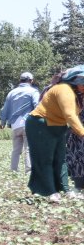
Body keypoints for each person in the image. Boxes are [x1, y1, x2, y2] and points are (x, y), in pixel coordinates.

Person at [26, 65, 84, 201]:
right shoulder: (64, 90)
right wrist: (82, 133)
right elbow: (70, 115)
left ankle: (65, 189)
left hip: (58, 126)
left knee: (61, 159)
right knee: (45, 159)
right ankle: (49, 191)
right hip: (40, 124)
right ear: (75, 80)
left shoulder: (78, 94)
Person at [0, 72, 40, 173]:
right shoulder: (33, 91)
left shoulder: (12, 93)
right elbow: (37, 106)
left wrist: (3, 122)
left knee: (16, 150)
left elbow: (4, 109)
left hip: (15, 125)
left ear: (20, 80)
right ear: (31, 81)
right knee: (28, 148)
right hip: (28, 123)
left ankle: (13, 170)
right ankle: (29, 171)